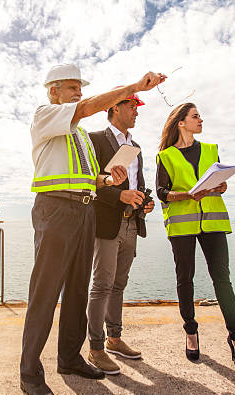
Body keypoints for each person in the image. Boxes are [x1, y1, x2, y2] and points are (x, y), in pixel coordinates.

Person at [20, 63, 165, 395]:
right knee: (45, 291)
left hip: (85, 209)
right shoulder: (45, 115)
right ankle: (29, 373)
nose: (79, 94)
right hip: (55, 209)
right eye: (71, 88)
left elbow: (91, 178)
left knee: (77, 290)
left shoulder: (81, 135)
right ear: (53, 92)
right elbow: (86, 109)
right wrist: (133, 87)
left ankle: (69, 359)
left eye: (79, 88)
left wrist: (107, 180)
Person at [155, 102, 235, 372]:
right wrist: (187, 195)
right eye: (195, 116)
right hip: (182, 225)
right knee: (185, 278)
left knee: (222, 279)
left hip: (213, 221)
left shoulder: (211, 149)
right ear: (181, 123)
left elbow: (220, 182)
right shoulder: (165, 156)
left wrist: (222, 185)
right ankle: (191, 333)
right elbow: (162, 192)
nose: (201, 120)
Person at [86, 91, 154, 375]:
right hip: (106, 224)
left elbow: (138, 182)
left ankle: (114, 338)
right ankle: (96, 348)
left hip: (131, 223)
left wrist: (144, 203)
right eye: (132, 106)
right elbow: (90, 181)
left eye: (137, 107)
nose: (137, 112)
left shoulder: (135, 145)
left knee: (119, 284)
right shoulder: (95, 139)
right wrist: (120, 196)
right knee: (102, 284)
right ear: (114, 108)